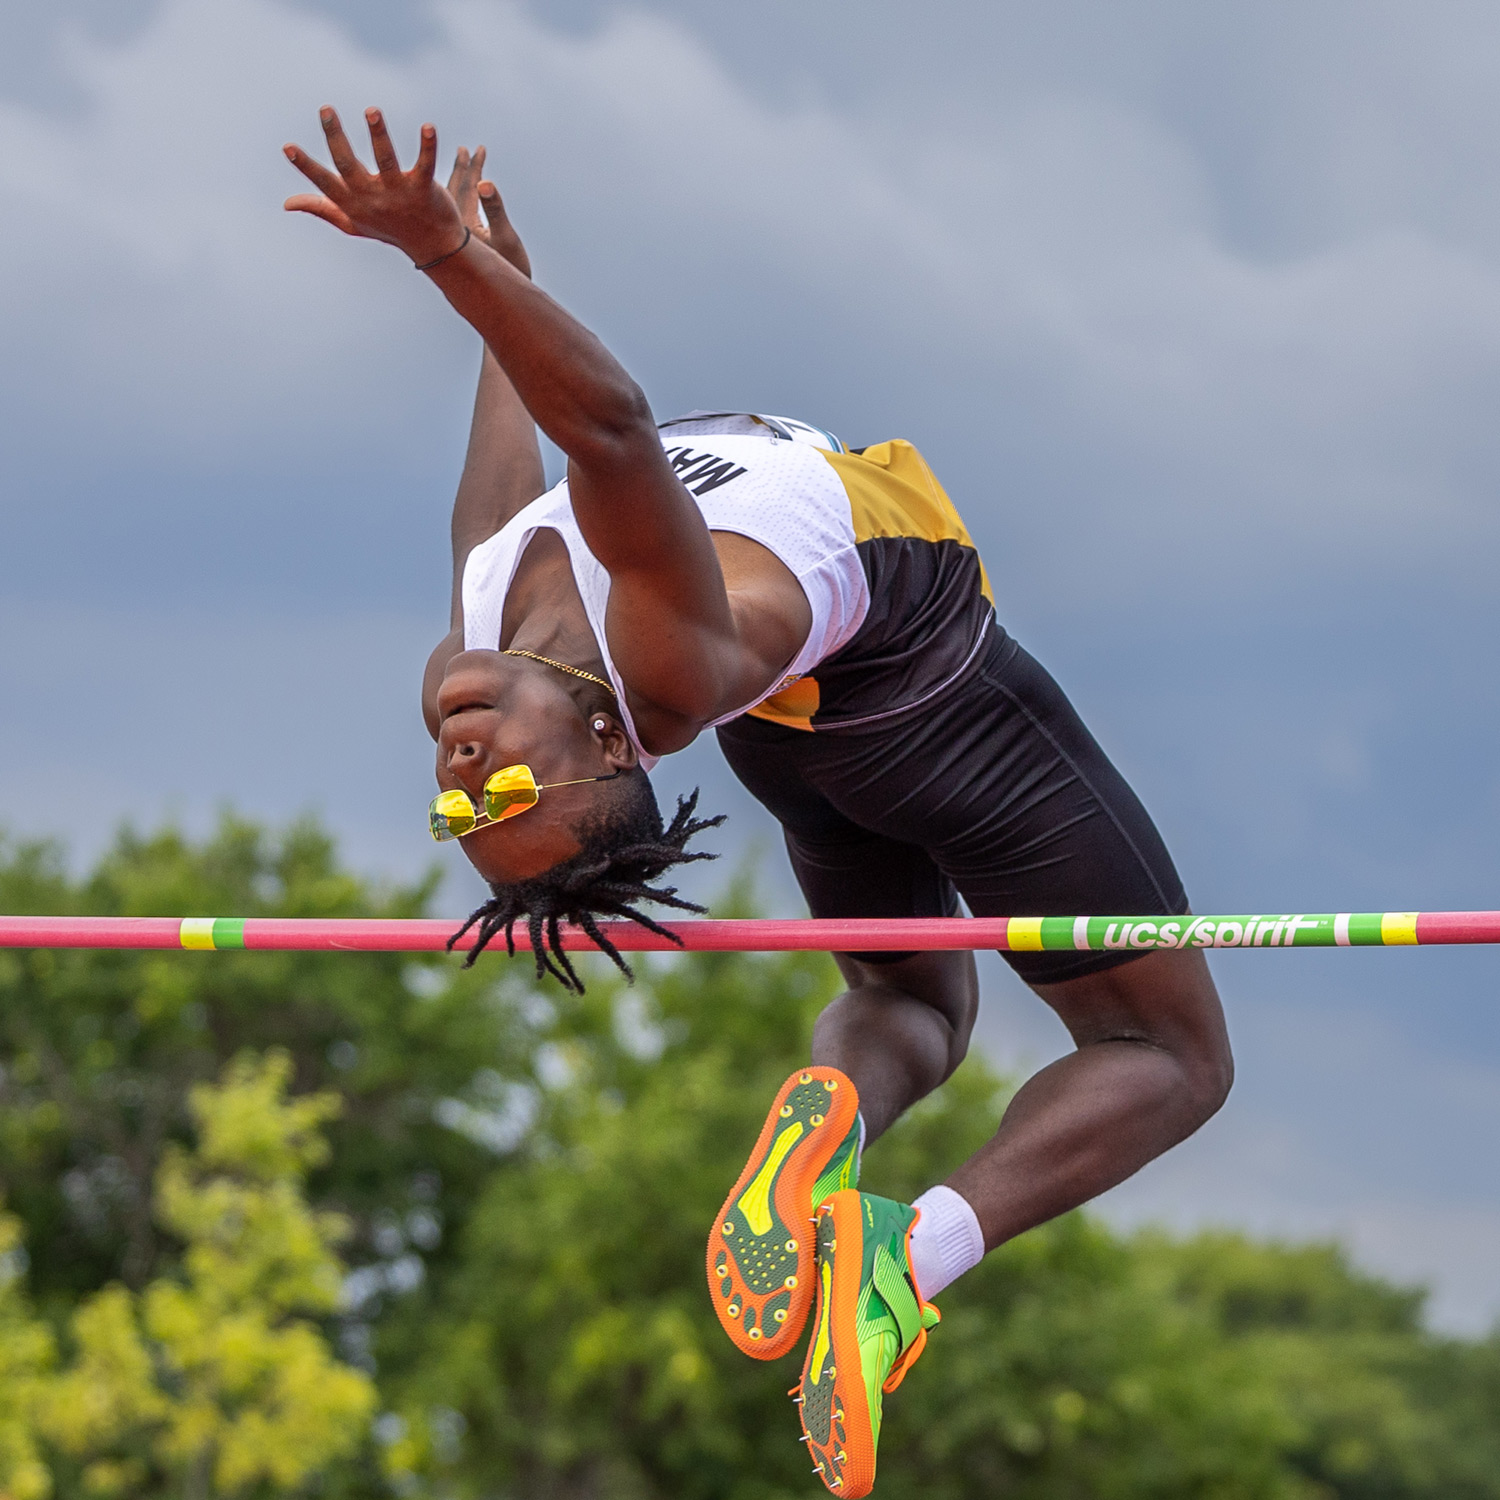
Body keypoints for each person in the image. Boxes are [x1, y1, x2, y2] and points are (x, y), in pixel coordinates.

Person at [285, 108, 1234, 1498]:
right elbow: (610, 429)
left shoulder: (474, 646)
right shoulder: (659, 663)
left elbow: (497, 496)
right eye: (510, 793)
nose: (463, 777)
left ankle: (828, 1120)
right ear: (610, 743)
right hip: (935, 702)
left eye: (461, 814)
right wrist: (445, 258)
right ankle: (903, 1262)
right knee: (1171, 1056)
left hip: (800, 748)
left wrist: (497, 288)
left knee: (912, 1005)